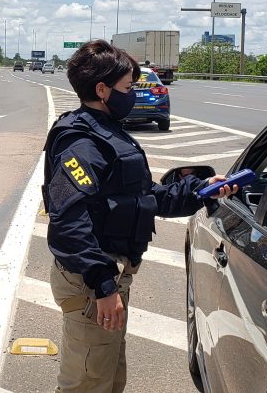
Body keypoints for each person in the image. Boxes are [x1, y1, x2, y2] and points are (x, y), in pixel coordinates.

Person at [43, 40, 234, 393]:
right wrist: (102, 285)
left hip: (106, 278)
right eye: (128, 87)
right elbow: (69, 220)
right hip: (92, 281)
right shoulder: (82, 143)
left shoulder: (107, 132)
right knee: (86, 383)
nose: (133, 94)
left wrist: (198, 190)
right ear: (102, 90)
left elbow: (140, 197)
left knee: (108, 377)